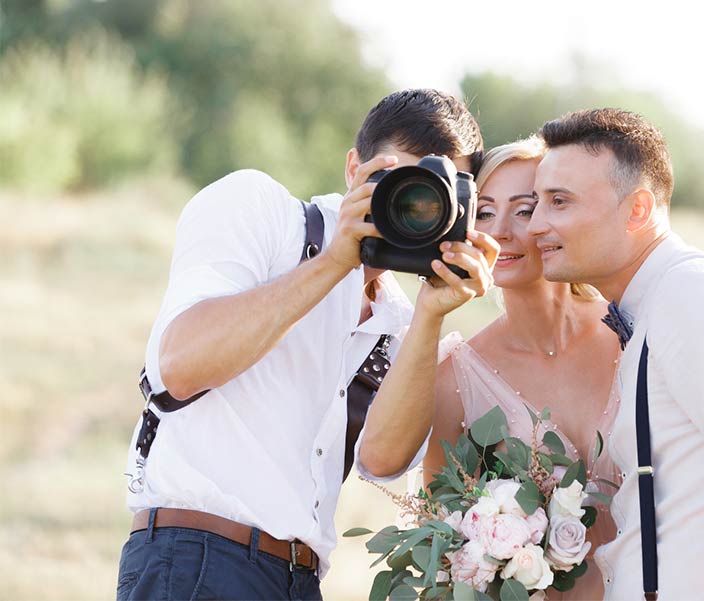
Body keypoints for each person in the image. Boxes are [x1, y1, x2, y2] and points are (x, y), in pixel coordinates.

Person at [115, 89, 498, 601]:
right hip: (197, 558)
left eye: (431, 197)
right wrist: (335, 262)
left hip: (299, 580)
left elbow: (382, 463)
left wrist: (433, 311)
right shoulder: (261, 210)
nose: (410, 206)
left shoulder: (401, 321)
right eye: (398, 183)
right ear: (352, 168)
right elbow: (180, 364)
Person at [528, 108, 704, 601]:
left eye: (559, 202)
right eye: (537, 202)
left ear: (637, 209)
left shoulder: (695, 295)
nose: (536, 224)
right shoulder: (659, 304)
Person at [425, 137, 623, 600]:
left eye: (526, 208)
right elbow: (442, 536)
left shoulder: (632, 332)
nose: (503, 233)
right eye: (486, 214)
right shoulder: (457, 378)